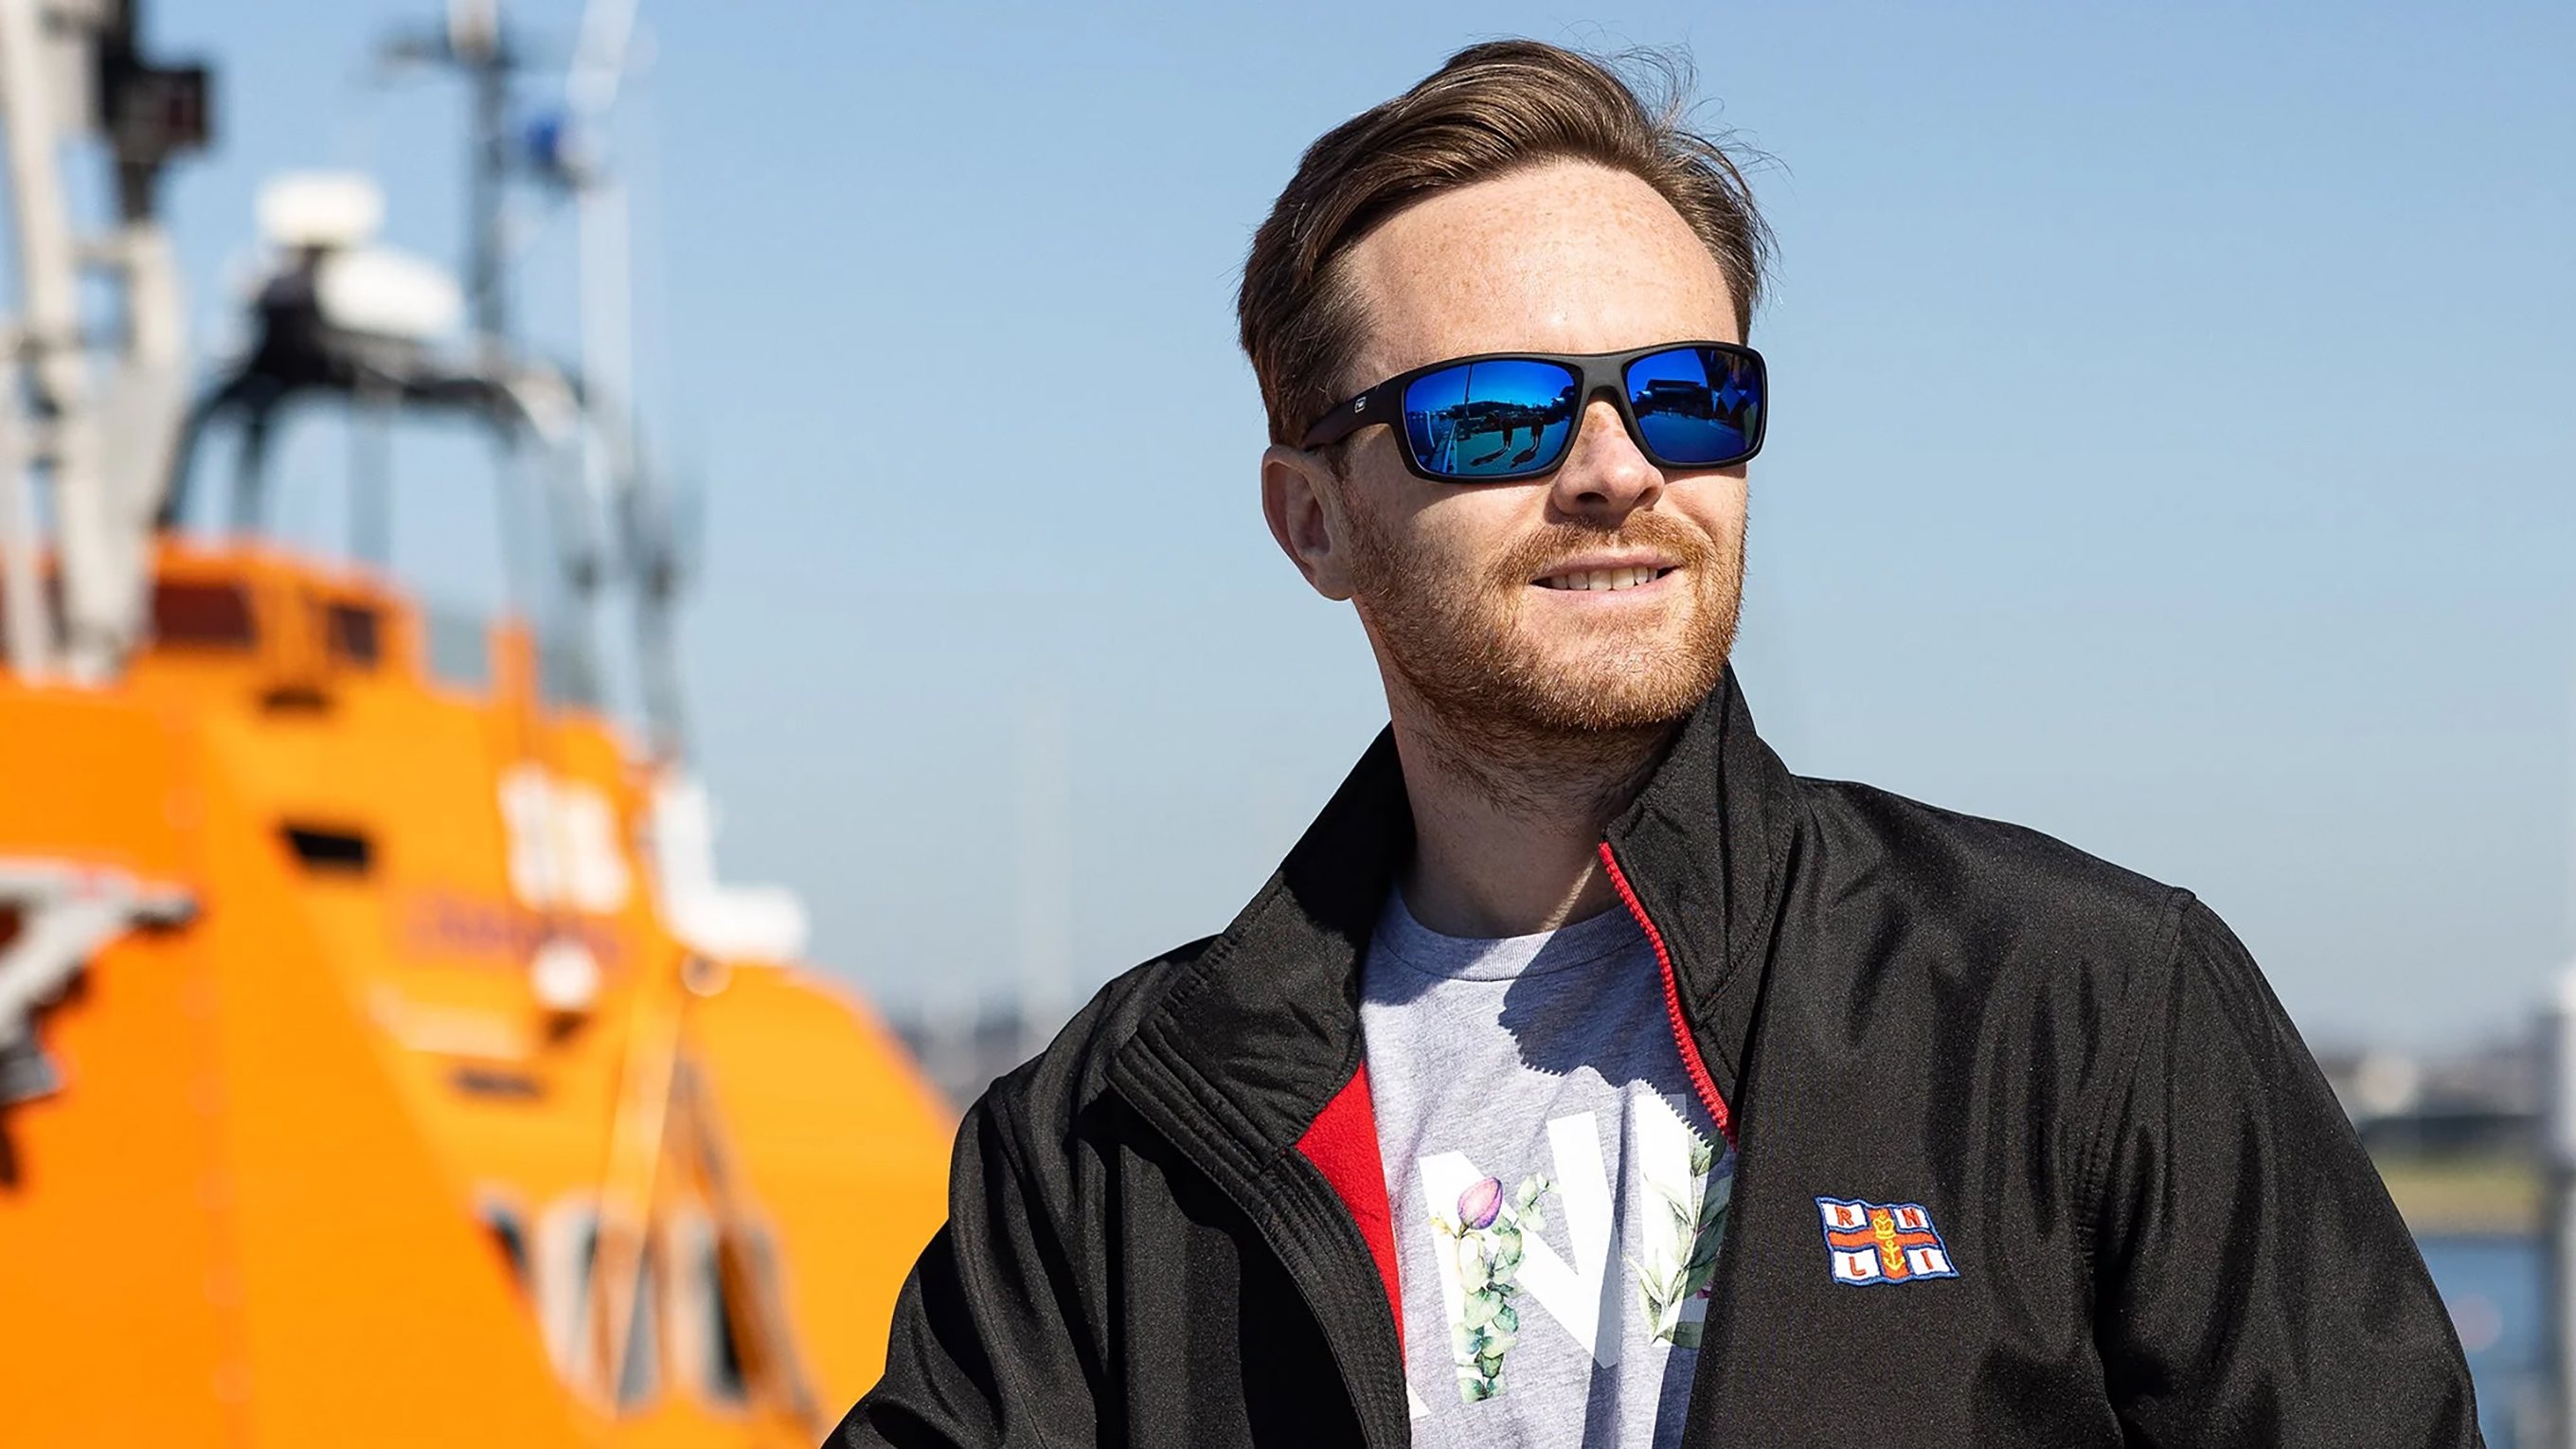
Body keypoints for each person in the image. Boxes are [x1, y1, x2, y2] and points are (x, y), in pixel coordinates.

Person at [833, 40, 2478, 1449]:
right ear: (1313, 519)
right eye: (1496, 413)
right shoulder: (1112, 1141)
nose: (1618, 469)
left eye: (1688, 396)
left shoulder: (2088, 1011)